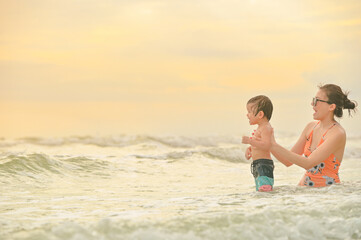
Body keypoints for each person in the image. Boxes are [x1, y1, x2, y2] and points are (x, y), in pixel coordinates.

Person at [268, 84, 357, 187]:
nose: (312, 104)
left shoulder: (337, 133)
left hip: (327, 195)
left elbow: (308, 163)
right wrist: (268, 145)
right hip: (306, 194)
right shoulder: (310, 127)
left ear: (331, 107)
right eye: (313, 100)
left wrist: (273, 145)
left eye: (316, 101)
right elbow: (287, 161)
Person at [242, 95, 274, 192]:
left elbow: (267, 145)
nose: (247, 115)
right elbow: (260, 144)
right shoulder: (260, 127)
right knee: (259, 188)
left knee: (265, 188)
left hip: (264, 164)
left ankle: (267, 204)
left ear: (260, 114)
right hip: (257, 164)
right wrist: (250, 148)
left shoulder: (266, 128)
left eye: (249, 112)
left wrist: (250, 141)